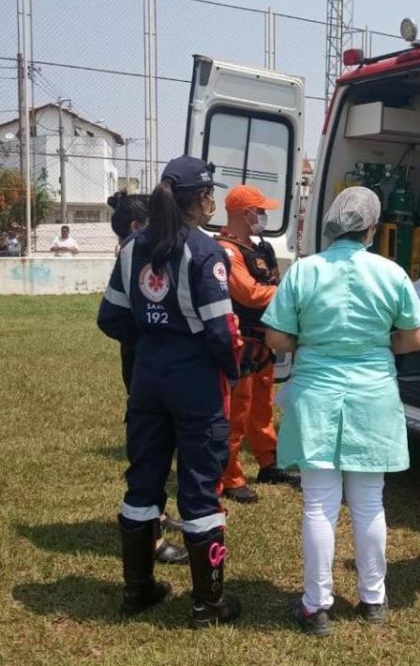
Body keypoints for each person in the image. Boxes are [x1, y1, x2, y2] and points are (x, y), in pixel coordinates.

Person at [263, 186, 420, 637]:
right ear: (372, 228)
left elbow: (276, 338)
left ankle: (317, 605)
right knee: (369, 501)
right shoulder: (391, 273)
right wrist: (376, 345)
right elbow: (413, 339)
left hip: (315, 389)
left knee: (319, 502)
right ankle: (373, 598)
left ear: (333, 224)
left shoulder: (304, 271)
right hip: (373, 391)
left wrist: (311, 344)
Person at [97, 155, 242, 628]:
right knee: (200, 489)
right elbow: (221, 333)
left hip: (147, 378)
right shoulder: (205, 251)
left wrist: (151, 340)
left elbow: (110, 319)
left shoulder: (132, 247)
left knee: (142, 481)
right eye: (211, 193)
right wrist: (232, 371)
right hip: (194, 380)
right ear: (200, 199)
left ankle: (137, 591)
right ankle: (208, 604)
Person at [107, 190, 186, 564]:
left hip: (144, 364)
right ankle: (150, 538)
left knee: (154, 449)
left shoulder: (132, 253)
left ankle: (156, 516)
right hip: (147, 365)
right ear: (138, 225)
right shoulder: (134, 256)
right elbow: (109, 318)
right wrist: (147, 336)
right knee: (151, 452)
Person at [216, 184, 299, 504]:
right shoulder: (227, 251)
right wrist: (292, 292)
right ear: (244, 213)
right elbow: (248, 293)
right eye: (259, 210)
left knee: (262, 407)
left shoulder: (254, 247)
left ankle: (269, 461)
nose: (263, 216)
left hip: (262, 340)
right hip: (240, 342)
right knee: (237, 412)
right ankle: (230, 476)